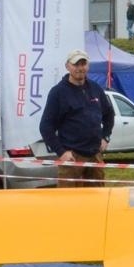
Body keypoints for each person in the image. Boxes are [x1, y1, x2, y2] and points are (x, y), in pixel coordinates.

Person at [40, 49, 114, 187]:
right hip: (72, 158)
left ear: (88, 66)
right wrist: (61, 152)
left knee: (97, 197)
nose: (80, 68)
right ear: (67, 66)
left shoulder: (95, 88)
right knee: (69, 199)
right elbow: (45, 127)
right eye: (76, 64)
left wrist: (106, 137)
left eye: (83, 64)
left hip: (95, 155)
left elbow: (109, 114)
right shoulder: (58, 92)